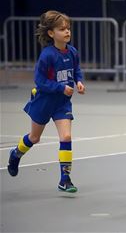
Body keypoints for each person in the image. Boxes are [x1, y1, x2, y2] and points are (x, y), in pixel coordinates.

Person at [7, 10, 85, 193]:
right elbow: (40, 81)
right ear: (51, 33)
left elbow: (77, 70)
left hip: (62, 103)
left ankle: (65, 179)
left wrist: (79, 82)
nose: (67, 32)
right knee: (34, 138)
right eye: (62, 29)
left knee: (66, 137)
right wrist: (60, 87)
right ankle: (15, 154)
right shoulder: (47, 55)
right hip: (44, 101)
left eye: (68, 28)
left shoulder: (73, 52)